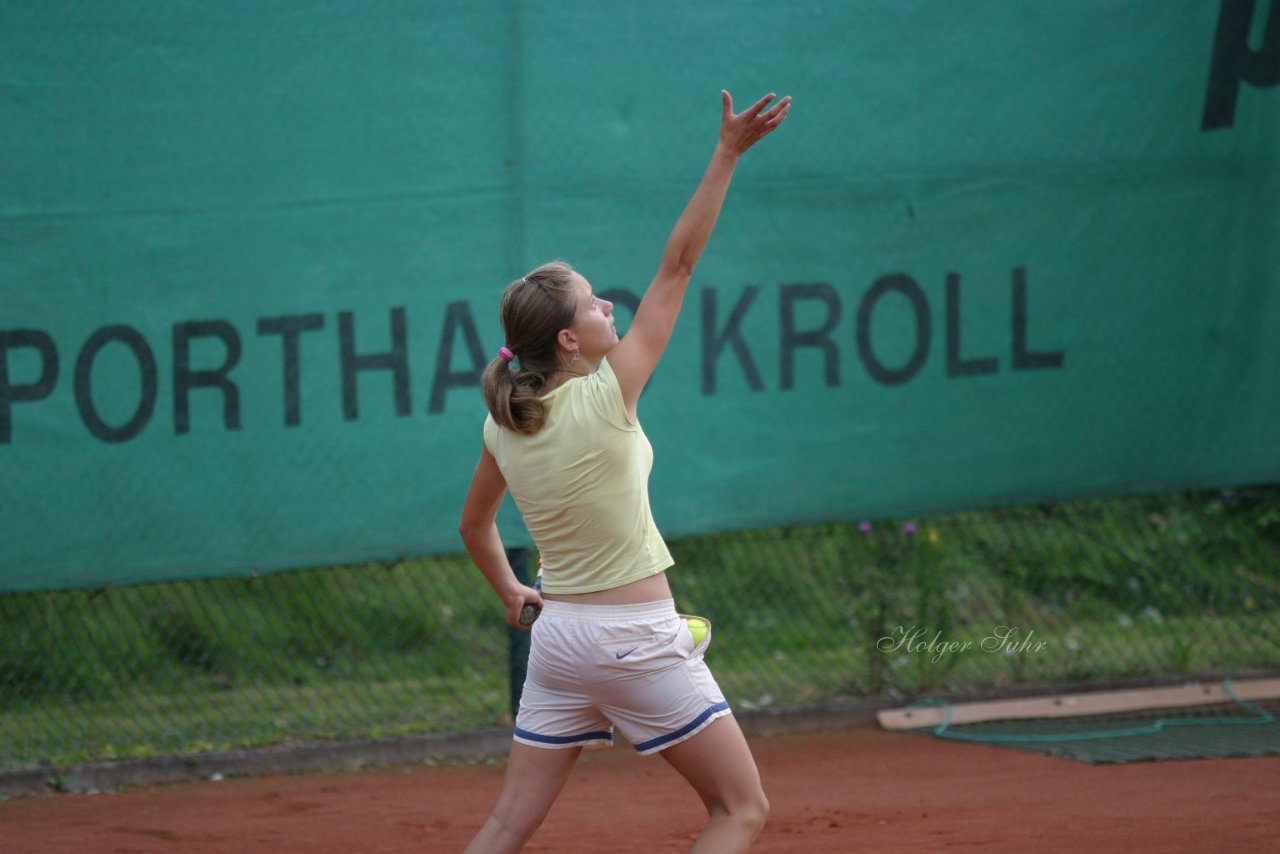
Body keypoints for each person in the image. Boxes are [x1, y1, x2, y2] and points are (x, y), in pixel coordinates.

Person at [459, 89, 791, 853]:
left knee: (508, 823)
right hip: (633, 641)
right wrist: (727, 154)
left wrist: (511, 591)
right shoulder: (611, 394)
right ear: (571, 341)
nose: (610, 305)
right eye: (594, 304)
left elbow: (474, 525)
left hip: (560, 643)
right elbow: (679, 264)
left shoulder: (504, 422)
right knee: (742, 809)